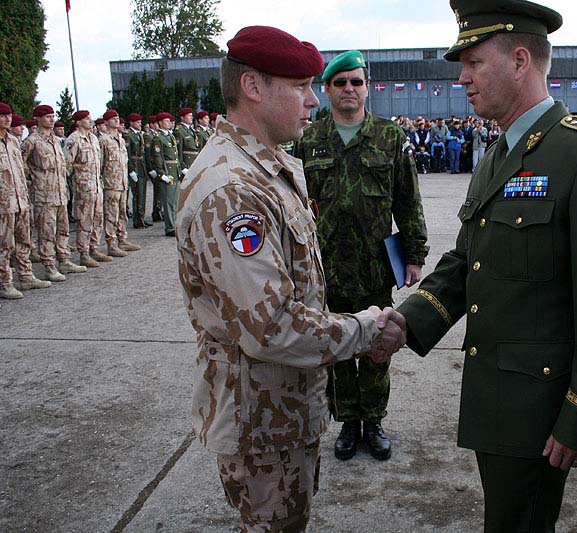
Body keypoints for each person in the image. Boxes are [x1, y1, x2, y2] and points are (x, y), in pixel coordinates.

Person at [394, 2, 577, 531]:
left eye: (473, 62)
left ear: (520, 61)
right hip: (497, 391)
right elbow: (468, 259)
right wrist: (406, 322)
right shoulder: (500, 152)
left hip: (542, 404)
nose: (462, 77)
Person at [175, 25, 406, 532]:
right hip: (261, 420)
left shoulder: (268, 168)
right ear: (253, 87)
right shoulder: (233, 191)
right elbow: (271, 326)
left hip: (283, 408)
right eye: (300, 86)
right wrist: (366, 329)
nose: (313, 100)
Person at [294, 49, 429, 462]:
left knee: (376, 345)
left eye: (356, 81)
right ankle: (348, 421)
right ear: (328, 89)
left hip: (374, 266)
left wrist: (414, 254)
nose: (349, 89)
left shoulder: (389, 137)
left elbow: (407, 199)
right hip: (326, 266)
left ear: (368, 88)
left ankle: (374, 420)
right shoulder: (309, 140)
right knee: (335, 346)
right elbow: (294, 204)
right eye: (340, 82)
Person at [22, 104, 87, 281]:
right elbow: (21, 163)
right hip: (44, 195)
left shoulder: (56, 141)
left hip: (60, 193)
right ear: (38, 119)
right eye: (47, 116)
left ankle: (64, 260)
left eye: (53, 116)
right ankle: (49, 265)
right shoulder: (32, 141)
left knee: (63, 229)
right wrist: (34, 179)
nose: (52, 119)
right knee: (47, 232)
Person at [0, 101, 51, 299]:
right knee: (5, 245)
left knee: (24, 241)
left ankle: (26, 276)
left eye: (9, 115)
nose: (7, 119)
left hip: (20, 200)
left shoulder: (13, 142)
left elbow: (21, 170)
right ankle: (5, 283)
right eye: (2, 116)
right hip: (4, 203)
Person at [64, 110, 110, 268]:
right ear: (78, 122)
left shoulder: (93, 138)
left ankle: (94, 249)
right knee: (84, 220)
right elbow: (66, 165)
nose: (90, 121)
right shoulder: (74, 139)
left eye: (90, 118)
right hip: (83, 188)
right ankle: (83, 253)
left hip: (96, 186)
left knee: (98, 218)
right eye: (86, 119)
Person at [98, 110, 140, 256]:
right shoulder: (104, 140)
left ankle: (122, 239)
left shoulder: (121, 139)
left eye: (117, 118)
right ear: (106, 122)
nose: (116, 120)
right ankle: (111, 243)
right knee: (111, 214)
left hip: (122, 182)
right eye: (113, 118)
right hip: (110, 183)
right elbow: (100, 164)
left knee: (122, 213)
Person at [150, 112, 181, 237]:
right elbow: (157, 157)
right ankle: (170, 227)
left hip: (175, 171)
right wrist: (161, 173)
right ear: (160, 123)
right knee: (168, 202)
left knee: (175, 201)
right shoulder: (158, 138)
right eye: (166, 121)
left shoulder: (170, 136)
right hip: (168, 171)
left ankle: (175, 224)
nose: (169, 123)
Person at [124, 113, 151, 228]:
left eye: (140, 122)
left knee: (142, 193)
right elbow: (127, 154)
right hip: (134, 166)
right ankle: (137, 219)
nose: (140, 124)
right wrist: (130, 170)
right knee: (137, 194)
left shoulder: (139, 135)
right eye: (137, 122)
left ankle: (141, 217)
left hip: (141, 166)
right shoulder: (128, 135)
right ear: (131, 123)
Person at [174, 107, 200, 178]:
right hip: (187, 163)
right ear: (182, 117)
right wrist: (183, 167)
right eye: (189, 116)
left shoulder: (191, 130)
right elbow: (178, 151)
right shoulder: (179, 131)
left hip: (194, 162)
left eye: (192, 116)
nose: (191, 117)